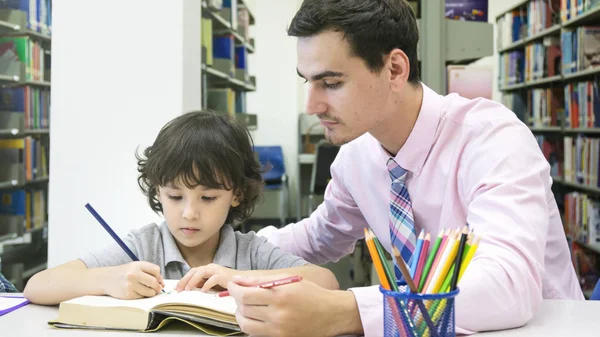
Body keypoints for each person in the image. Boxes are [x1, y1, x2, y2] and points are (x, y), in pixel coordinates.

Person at [225, 0, 584, 336]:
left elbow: (508, 286)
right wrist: (224, 250)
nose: (311, 105)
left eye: (331, 83)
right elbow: (319, 236)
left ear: (394, 69)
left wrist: (345, 311)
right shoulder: (357, 156)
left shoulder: (491, 139)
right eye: (308, 81)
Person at [24, 111, 338, 305]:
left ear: (237, 194)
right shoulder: (142, 246)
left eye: (208, 197)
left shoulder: (250, 252)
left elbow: (326, 282)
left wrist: (239, 279)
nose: (189, 213)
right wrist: (108, 279)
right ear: (157, 190)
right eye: (175, 197)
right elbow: (38, 286)